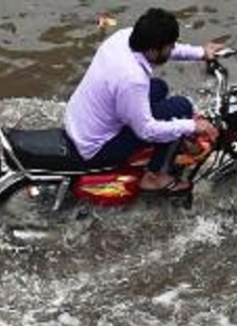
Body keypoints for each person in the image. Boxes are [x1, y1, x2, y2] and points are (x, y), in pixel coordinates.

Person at [64, 8, 227, 194]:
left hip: (80, 122)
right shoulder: (133, 79)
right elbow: (147, 131)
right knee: (181, 107)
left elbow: (164, 52)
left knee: (158, 87)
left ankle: (171, 146)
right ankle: (154, 177)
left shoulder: (123, 37)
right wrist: (192, 126)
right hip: (96, 147)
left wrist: (201, 52)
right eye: (170, 46)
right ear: (152, 49)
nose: (172, 49)